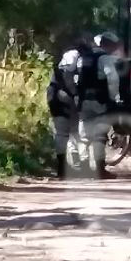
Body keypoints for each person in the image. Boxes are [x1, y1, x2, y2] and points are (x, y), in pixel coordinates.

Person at [76, 31, 123, 179]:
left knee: (84, 135)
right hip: (99, 102)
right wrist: (113, 97)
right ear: (107, 44)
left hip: (83, 101)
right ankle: (100, 170)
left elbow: (76, 78)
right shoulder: (105, 59)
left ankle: (82, 168)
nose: (114, 49)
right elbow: (113, 79)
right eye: (113, 46)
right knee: (99, 136)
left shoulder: (83, 57)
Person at [46, 35, 90, 178]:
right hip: (69, 97)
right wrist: (76, 96)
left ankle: (61, 168)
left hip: (53, 95)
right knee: (77, 133)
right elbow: (72, 80)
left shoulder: (64, 58)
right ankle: (84, 167)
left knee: (61, 133)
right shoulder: (80, 58)